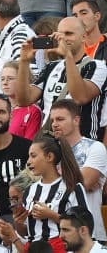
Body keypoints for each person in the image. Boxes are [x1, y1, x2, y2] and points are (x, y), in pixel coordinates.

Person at [18, 17, 106, 138]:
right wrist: (24, 62)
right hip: (50, 143)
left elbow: (80, 97)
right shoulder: (51, 67)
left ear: (83, 37)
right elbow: (23, 100)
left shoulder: (97, 66)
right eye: (60, 34)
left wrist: (68, 56)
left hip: (82, 144)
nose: (63, 38)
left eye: (69, 34)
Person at [47, 99, 107, 240]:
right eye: (53, 120)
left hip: (88, 234)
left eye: (60, 119)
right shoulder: (49, 151)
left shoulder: (95, 147)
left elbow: (83, 183)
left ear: (76, 120)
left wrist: (76, 184)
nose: (55, 124)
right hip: (53, 232)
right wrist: (76, 182)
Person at [22, 134, 85, 243]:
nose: (28, 162)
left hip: (60, 247)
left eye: (33, 156)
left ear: (49, 157)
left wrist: (51, 215)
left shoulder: (72, 188)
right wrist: (18, 222)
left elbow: (84, 225)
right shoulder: (29, 191)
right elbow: (26, 232)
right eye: (29, 156)